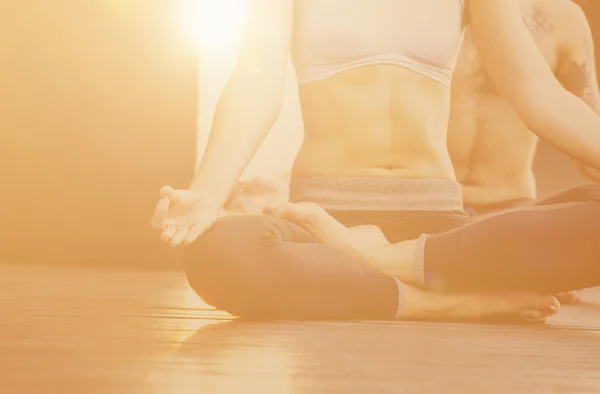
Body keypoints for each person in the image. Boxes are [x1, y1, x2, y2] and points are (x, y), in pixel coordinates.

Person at [152, 0, 600, 322]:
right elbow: (256, 84)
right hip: (325, 222)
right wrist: (207, 193)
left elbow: (539, 97)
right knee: (216, 252)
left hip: (436, 225)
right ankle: (438, 301)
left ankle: (393, 262)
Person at [449, 0, 600, 215]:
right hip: (428, 202)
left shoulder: (563, 19)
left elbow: (588, 136)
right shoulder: (422, 16)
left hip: (510, 206)